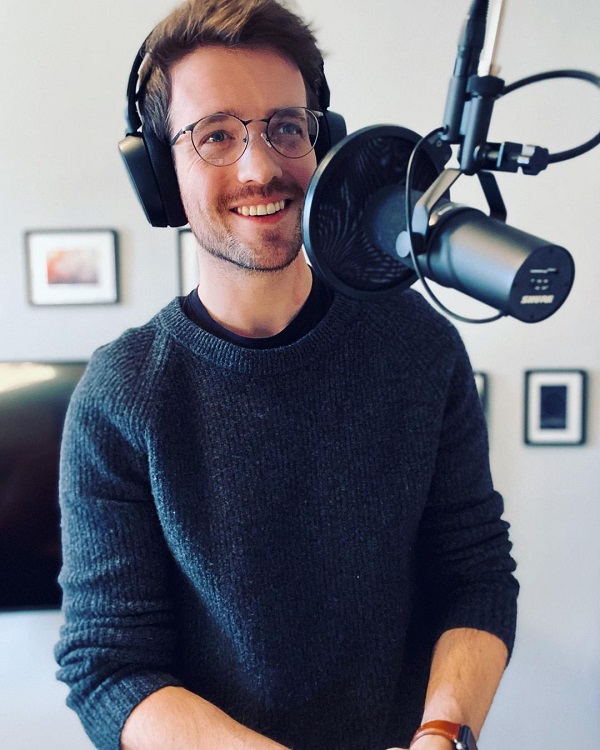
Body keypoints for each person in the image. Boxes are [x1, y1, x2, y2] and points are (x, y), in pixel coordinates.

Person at [55, 1, 519, 749]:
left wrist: (440, 732)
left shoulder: (418, 347)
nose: (261, 167)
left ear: (321, 143)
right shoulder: (122, 396)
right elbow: (108, 666)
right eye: (215, 135)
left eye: (286, 128)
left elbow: (476, 575)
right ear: (160, 173)